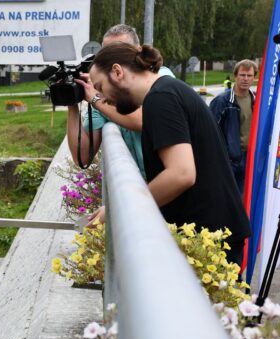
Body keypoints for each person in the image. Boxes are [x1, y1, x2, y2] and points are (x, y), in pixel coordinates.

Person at [86, 42, 251, 265]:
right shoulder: (167, 91)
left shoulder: (160, 99)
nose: (103, 97)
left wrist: (118, 208)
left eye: (101, 87)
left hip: (210, 240)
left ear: (117, 72)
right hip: (211, 236)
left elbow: (181, 174)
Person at [66, 24, 175, 180]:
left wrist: (97, 99)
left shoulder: (159, 77)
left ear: (137, 51)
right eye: (107, 55)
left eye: (119, 53)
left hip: (165, 183)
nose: (112, 62)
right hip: (137, 186)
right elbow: (82, 157)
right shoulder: (103, 95)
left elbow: (142, 120)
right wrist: (72, 101)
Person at [210, 60, 257, 195]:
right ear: (235, 76)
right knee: (225, 199)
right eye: (242, 75)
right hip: (228, 161)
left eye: (249, 75)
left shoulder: (257, 101)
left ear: (254, 77)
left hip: (249, 158)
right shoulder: (222, 101)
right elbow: (210, 131)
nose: (246, 79)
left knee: (243, 201)